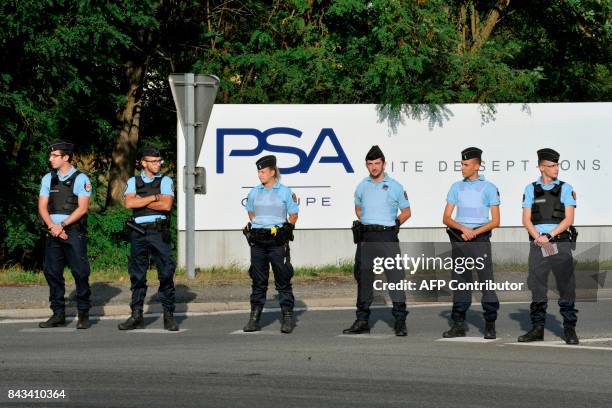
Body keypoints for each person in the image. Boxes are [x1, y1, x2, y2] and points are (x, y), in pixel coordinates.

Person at [343, 145, 411, 336]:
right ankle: (362, 320)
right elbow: (358, 208)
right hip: (366, 237)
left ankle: (399, 321)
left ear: (384, 163)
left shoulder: (395, 186)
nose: (374, 167)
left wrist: (395, 223)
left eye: (377, 163)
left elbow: (406, 212)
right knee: (364, 279)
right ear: (366, 165)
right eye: (370, 164)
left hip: (386, 236)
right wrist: (367, 220)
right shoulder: (362, 185)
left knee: (395, 278)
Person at [518, 148, 579, 345]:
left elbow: (568, 219)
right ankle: (537, 329)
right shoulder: (530, 189)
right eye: (552, 166)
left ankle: (569, 329)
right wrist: (539, 237)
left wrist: (549, 236)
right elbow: (526, 220)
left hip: (559, 242)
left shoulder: (566, 188)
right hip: (538, 243)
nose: (556, 169)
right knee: (537, 286)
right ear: (541, 167)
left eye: (557, 165)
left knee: (566, 286)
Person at [442, 147, 501, 339]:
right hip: (460, 239)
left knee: (486, 282)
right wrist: (464, 230)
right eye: (462, 164)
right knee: (460, 282)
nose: (462, 167)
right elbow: (446, 217)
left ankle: (490, 324)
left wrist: (474, 232)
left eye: (466, 164)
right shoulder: (456, 187)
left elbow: (495, 221)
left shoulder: (489, 188)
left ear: (477, 166)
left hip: (480, 240)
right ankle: (458, 324)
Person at [118, 147, 178, 331]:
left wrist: (141, 200)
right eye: (153, 161)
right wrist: (154, 197)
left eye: (159, 161)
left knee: (166, 273)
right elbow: (129, 203)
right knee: (137, 275)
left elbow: (167, 205)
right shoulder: (133, 181)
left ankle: (168, 315)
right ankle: (136, 315)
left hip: (159, 232)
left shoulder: (166, 180)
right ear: (143, 163)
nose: (158, 164)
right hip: (138, 232)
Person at [38, 140, 92, 329]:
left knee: (80, 272)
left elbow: (82, 208)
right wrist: (53, 226)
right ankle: (58, 314)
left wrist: (61, 225)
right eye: (51, 155)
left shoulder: (81, 179)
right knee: (52, 272)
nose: (50, 158)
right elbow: (42, 207)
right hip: (53, 232)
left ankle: (84, 314)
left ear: (66, 157)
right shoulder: (48, 178)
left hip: (72, 232)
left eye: (54, 155)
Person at [242, 155, 299, 334]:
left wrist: (286, 229)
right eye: (259, 171)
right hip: (258, 241)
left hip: (277, 242)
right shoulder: (254, 192)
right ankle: (254, 319)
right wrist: (262, 225)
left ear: (273, 172)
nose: (260, 175)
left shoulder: (284, 191)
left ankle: (288, 317)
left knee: (282, 279)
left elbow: (293, 214)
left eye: (263, 171)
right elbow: (251, 212)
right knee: (258, 281)